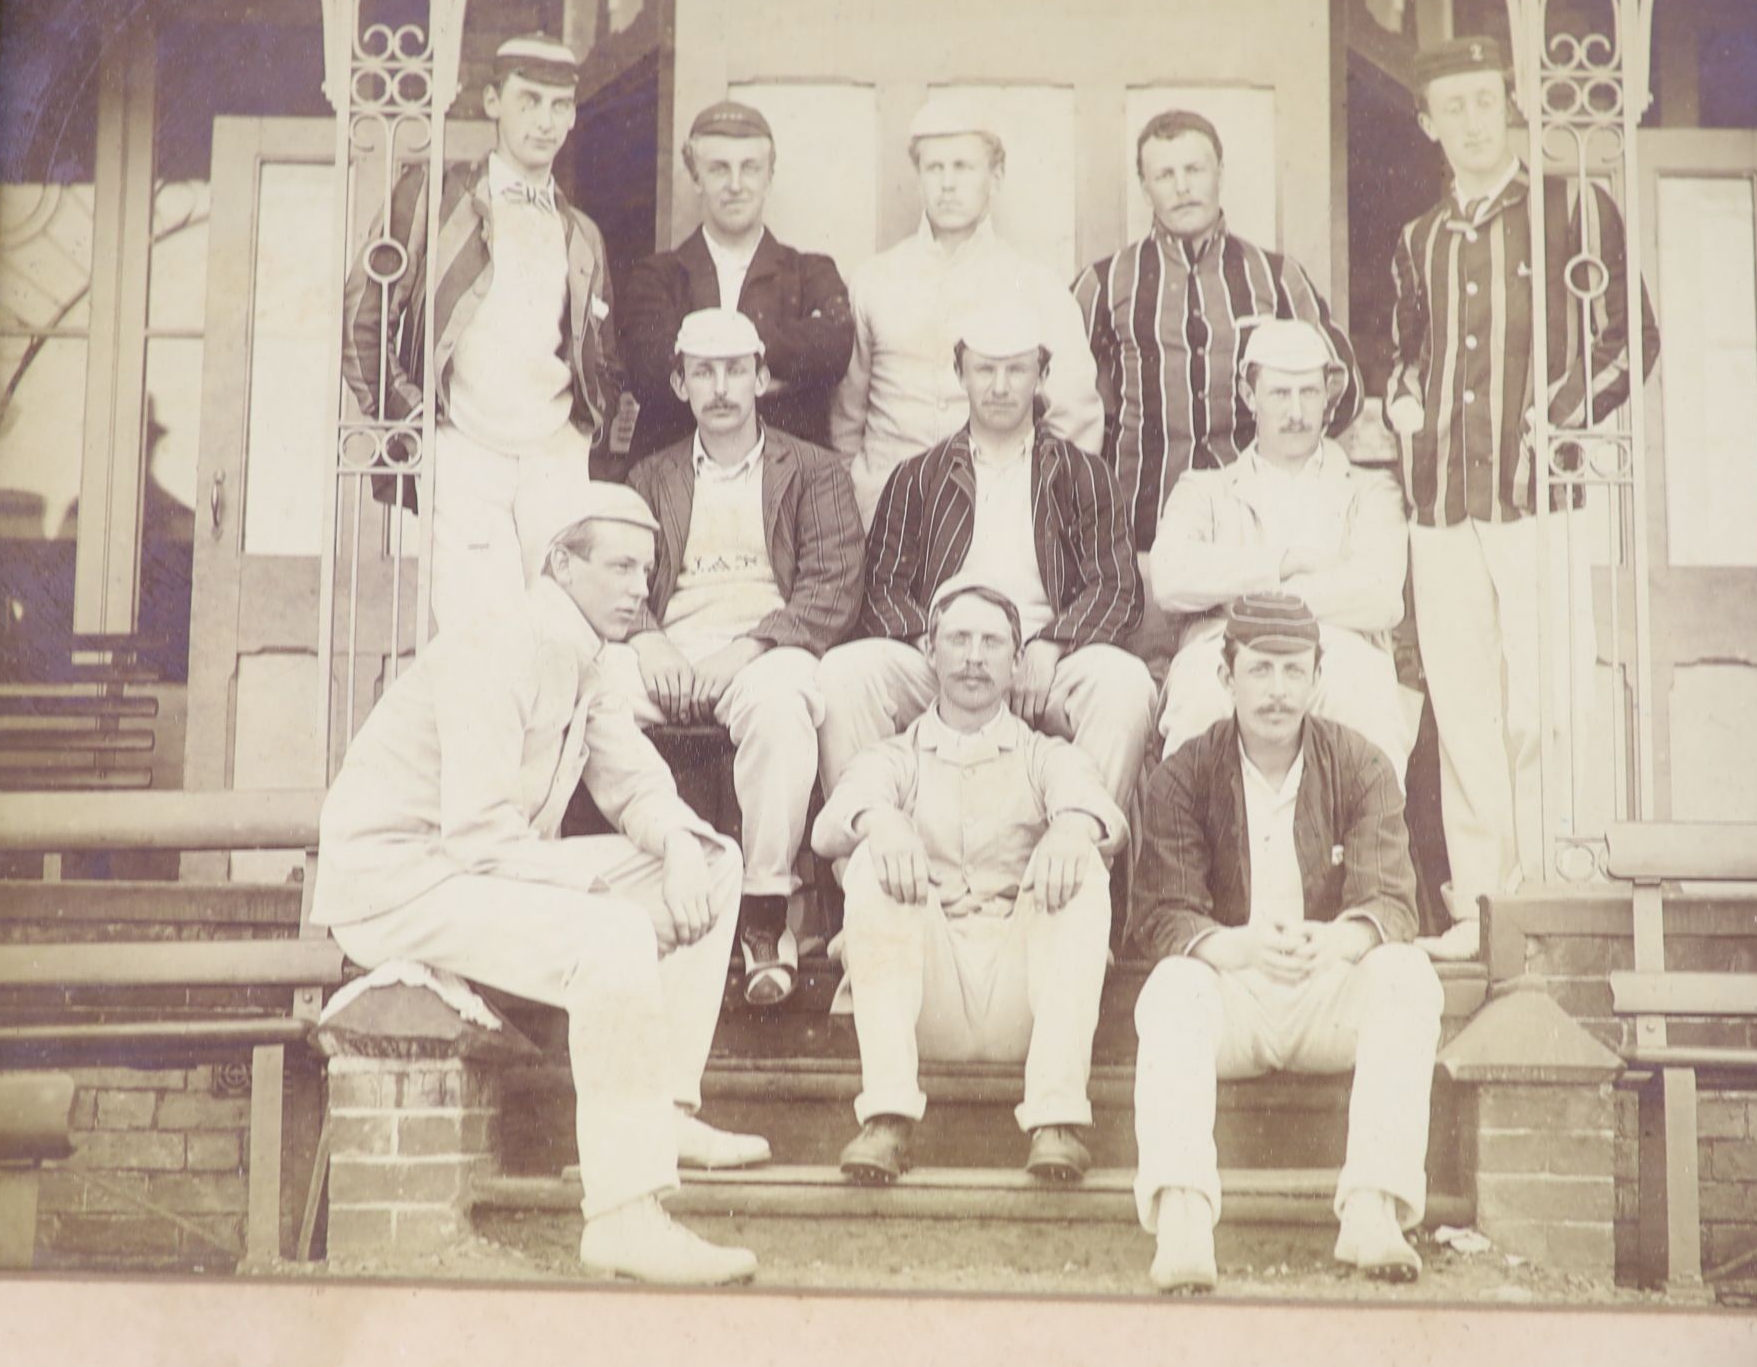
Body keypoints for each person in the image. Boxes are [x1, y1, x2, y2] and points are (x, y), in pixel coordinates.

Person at [309, 483, 771, 1288]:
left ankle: (665, 1111)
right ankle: (625, 1218)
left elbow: (636, 785)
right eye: (619, 566)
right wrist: (599, 897)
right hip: (400, 884)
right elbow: (479, 832)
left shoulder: (586, 657)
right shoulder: (499, 645)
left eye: (647, 571)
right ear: (560, 562)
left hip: (471, 871)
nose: (638, 588)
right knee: (615, 931)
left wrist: (679, 845)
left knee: (712, 857)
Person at [1388, 33, 1652, 936]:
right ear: (1428, 124)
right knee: (1463, 717)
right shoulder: (1417, 238)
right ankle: (1486, 907)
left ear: (1511, 107)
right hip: (1439, 509)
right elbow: (1408, 355)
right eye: (1450, 106)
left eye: (1484, 101)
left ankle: (1552, 889)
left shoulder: (1574, 209)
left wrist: (1559, 415)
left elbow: (1631, 337)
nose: (1471, 121)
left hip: (1536, 497)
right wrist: (1401, 400)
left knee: (1543, 704)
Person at [1124, 592, 1443, 1294]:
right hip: (1234, 998)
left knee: (1408, 975)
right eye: (1260, 670)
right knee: (1172, 987)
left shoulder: (1359, 765)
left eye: (1293, 672)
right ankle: (1182, 1219)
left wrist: (1339, 941)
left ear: (1316, 678)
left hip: (1324, 993)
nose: (1276, 691)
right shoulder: (1184, 774)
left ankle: (1372, 1209)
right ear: (1226, 676)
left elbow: (1391, 898)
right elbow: (1164, 913)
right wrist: (1231, 948)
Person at [811, 582, 1123, 1188]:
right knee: (876, 862)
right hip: (928, 995)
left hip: (1023, 996)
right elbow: (831, 825)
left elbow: (1103, 815)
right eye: (958, 639)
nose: (974, 657)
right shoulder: (895, 756)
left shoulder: (1043, 755)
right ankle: (887, 1120)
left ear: (1015, 660)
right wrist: (882, 821)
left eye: (991, 642)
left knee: (1081, 863)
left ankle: (1056, 1121)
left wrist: (1071, 830)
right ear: (930, 652)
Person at [615, 308, 867, 1005]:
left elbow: (832, 589)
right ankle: (636, 889)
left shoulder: (814, 472)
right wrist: (647, 636)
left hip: (768, 646)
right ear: (680, 382)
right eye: (703, 372)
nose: (720, 388)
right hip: (669, 648)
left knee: (784, 702)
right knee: (597, 690)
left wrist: (750, 647)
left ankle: (764, 911)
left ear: (763, 377)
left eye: (734, 370)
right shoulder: (651, 477)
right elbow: (615, 574)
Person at [819, 302, 1158, 818]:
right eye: (985, 369)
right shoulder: (917, 476)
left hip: (1048, 656)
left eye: (1017, 369)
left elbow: (1116, 588)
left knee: (1125, 685)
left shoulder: (1083, 474)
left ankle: (1084, 853)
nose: (1000, 386)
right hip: (939, 650)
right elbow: (882, 588)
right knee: (843, 674)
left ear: (1041, 375)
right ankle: (866, 855)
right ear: (960, 374)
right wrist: (935, 646)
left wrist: (1049, 646)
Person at [340, 33, 626, 630]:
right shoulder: (434, 200)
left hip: (554, 458)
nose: (544, 121)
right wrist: (413, 421)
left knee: (558, 640)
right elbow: (365, 317)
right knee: (479, 641)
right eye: (528, 101)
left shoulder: (582, 235)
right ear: (493, 102)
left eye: (559, 106)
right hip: (464, 449)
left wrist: (585, 440)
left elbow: (601, 360)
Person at [1073, 110, 1360, 549]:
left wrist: (1288, 461)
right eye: (1164, 174)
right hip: (1141, 525)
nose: (1182, 187)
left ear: (1219, 174)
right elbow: (1060, 396)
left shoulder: (1275, 276)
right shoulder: (1105, 282)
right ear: (1144, 186)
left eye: (1195, 169)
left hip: (1258, 527)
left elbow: (1344, 385)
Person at [1150, 316, 1419, 778]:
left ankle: (1371, 847)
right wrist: (1279, 564)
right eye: (1279, 393)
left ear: (1327, 397)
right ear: (1249, 395)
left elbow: (1379, 595)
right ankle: (1187, 847)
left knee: (1367, 689)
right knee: (1197, 694)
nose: (1296, 412)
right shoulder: (1205, 489)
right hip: (1225, 649)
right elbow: (1171, 577)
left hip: (1337, 650)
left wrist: (1254, 600)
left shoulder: (1369, 490)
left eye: (1308, 393)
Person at [829, 96, 1103, 522]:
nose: (947, 184)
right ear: (918, 177)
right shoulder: (874, 280)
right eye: (934, 168)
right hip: (883, 513)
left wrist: (1037, 511)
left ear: (995, 177)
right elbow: (848, 414)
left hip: (995, 519)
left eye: (963, 167)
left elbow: (1075, 418)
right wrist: (856, 500)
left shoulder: (1036, 287)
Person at [615, 98, 855, 458]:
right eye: (718, 169)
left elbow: (832, 352)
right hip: (680, 480)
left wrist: (701, 366)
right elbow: (650, 372)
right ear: (696, 178)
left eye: (751, 168)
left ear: (768, 177)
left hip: (788, 482)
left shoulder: (811, 272)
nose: (736, 184)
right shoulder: (657, 276)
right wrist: (769, 373)